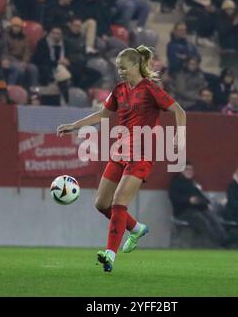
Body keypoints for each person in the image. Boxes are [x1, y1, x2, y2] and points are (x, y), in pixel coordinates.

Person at [57, 45, 186, 273]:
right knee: (101, 204)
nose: (120, 72)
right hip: (120, 152)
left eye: (124, 68)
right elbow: (102, 115)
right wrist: (74, 126)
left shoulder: (150, 89)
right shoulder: (118, 90)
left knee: (118, 202)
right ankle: (135, 228)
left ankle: (109, 255)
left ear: (136, 65)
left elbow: (178, 110)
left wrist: (179, 136)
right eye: (118, 68)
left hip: (142, 154)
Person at [169, 162, 228, 247]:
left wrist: (207, 203)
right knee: (202, 220)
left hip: (197, 209)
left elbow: (200, 196)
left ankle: (224, 239)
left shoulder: (192, 183)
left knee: (213, 217)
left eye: (191, 169)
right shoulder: (176, 183)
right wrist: (188, 200)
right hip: (183, 211)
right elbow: (174, 197)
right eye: (187, 169)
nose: (190, 171)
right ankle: (215, 243)